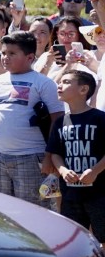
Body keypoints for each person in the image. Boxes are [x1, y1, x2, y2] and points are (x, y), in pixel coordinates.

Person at [0, 31, 64, 206]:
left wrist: (50, 157)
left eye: (12, 53)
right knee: (0, 211)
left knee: (33, 212)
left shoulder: (44, 83)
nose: (5, 57)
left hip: (31, 158)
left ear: (29, 57)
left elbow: (57, 121)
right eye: (4, 52)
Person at [46, 68, 105, 240]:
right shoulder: (60, 122)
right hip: (71, 195)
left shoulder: (100, 119)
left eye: (66, 82)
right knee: (73, 237)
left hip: (99, 193)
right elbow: (55, 153)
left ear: (83, 89)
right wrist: (63, 170)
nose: (59, 85)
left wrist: (95, 171)